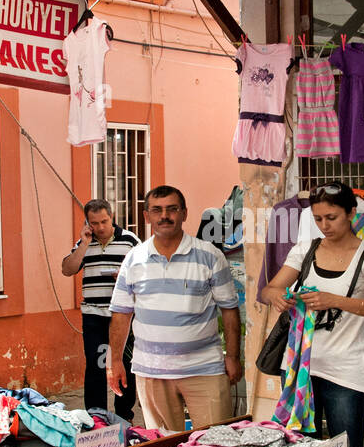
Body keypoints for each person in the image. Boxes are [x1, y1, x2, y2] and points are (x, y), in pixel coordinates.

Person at [259, 181, 364, 447]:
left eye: (332, 217)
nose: (325, 225)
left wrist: (333, 301)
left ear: (352, 213)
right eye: (318, 219)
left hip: (345, 368)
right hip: (298, 367)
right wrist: (279, 298)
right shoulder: (304, 249)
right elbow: (269, 289)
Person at [108, 185, 241, 431]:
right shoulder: (134, 259)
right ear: (147, 216)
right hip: (151, 371)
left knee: (215, 445)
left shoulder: (210, 256)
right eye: (157, 210)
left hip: (204, 369)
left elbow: (229, 310)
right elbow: (121, 314)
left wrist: (232, 357)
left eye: (172, 209)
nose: (164, 216)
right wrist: (114, 361)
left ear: (184, 213)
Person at [60, 198, 139, 420]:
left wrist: (125, 277)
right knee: (95, 366)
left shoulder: (129, 240)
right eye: (94, 223)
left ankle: (125, 415)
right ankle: (96, 417)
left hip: (123, 316)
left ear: (112, 217)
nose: (100, 227)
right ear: (88, 223)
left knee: (124, 364)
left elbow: (147, 272)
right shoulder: (84, 242)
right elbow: (67, 269)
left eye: (104, 221)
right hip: (93, 315)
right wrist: (84, 243)